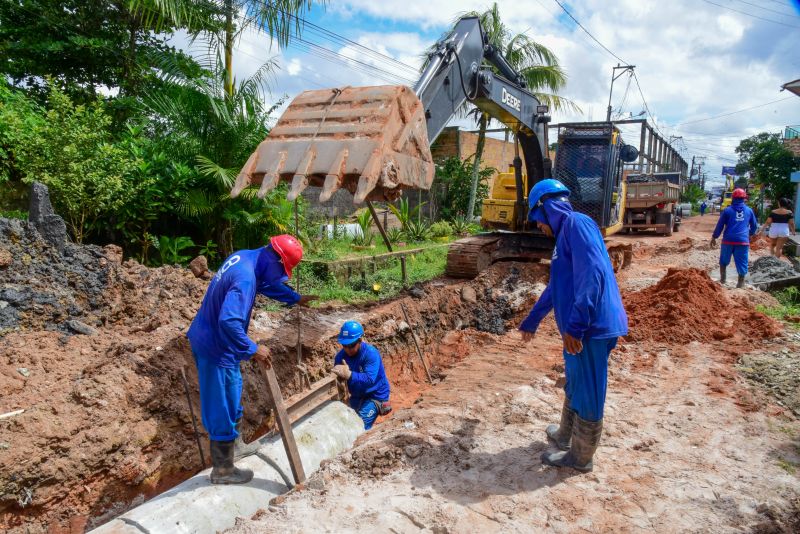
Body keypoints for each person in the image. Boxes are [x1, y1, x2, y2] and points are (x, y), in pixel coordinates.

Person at [187, 234, 317, 484]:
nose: (283, 275)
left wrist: (295, 298)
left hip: (221, 343)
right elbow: (229, 321)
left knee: (233, 394)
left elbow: (267, 284)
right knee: (221, 407)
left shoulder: (247, 257)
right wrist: (252, 349)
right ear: (277, 259)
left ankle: (235, 446)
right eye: (284, 269)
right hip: (214, 346)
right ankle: (223, 470)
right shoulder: (245, 278)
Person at [519, 179, 628, 473]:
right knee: (575, 380)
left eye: (537, 220)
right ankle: (566, 436)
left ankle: (580, 457)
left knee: (589, 388)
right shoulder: (565, 235)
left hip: (591, 328)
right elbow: (556, 287)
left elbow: (592, 275)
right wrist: (532, 321)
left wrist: (577, 327)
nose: (539, 227)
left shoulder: (577, 224)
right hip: (579, 327)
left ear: (545, 208)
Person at [331, 321, 391, 430]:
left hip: (375, 395)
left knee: (360, 427)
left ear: (360, 340)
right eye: (344, 345)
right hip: (357, 396)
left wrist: (349, 374)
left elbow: (369, 379)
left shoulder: (371, 354)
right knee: (348, 424)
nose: (348, 349)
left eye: (351, 345)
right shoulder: (340, 357)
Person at [711, 188, 758, 288]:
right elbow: (754, 226)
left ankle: (723, 280)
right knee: (742, 262)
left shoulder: (727, 210)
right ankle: (740, 283)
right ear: (744, 198)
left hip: (728, 240)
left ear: (733, 198)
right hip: (743, 241)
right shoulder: (749, 211)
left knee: (723, 261)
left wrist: (714, 237)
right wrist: (749, 234)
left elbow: (720, 225)